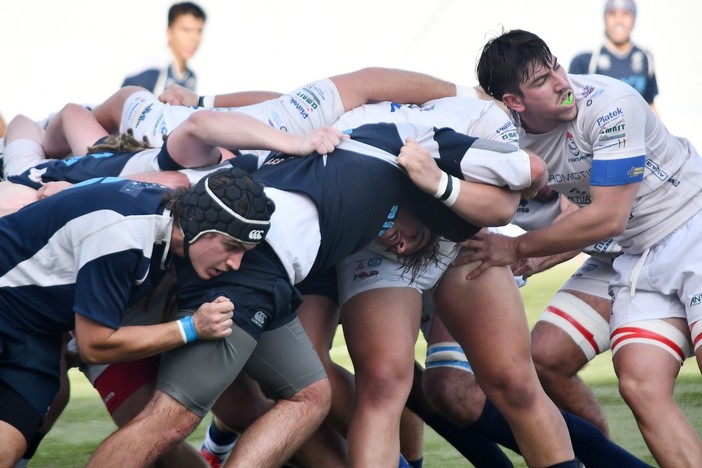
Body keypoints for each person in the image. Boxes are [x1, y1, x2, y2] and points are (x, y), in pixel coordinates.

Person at [87, 113, 534, 466]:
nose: (400, 242)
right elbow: (529, 173)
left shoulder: (306, 156)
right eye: (415, 234)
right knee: (170, 421)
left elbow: (188, 176)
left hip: (268, 278)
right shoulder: (395, 142)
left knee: (310, 394)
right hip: (248, 268)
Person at [467, 28, 702, 466]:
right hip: (632, 254)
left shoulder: (611, 105)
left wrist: (518, 251)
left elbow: (605, 215)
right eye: (541, 81)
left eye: (555, 65)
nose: (562, 82)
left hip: (691, 227)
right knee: (636, 384)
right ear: (513, 102)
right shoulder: (499, 130)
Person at [0, 165, 275, 465]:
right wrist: (192, 327)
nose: (235, 263)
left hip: (35, 334)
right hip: (9, 309)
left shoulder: (166, 221)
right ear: (200, 225)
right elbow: (94, 345)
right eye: (231, 247)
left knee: (7, 448)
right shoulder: (125, 232)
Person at [569, 0, 658, 111]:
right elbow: (571, 107)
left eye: (625, 14)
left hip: (638, 127)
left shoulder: (645, 58)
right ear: (605, 17)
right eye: (612, 14)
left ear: (634, 18)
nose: (618, 21)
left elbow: (651, 106)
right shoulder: (586, 61)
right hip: (600, 127)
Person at [121, 2, 206, 94]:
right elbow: (123, 104)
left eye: (199, 31)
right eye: (186, 30)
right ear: (169, 32)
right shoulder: (151, 72)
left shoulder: (190, 78)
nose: (195, 38)